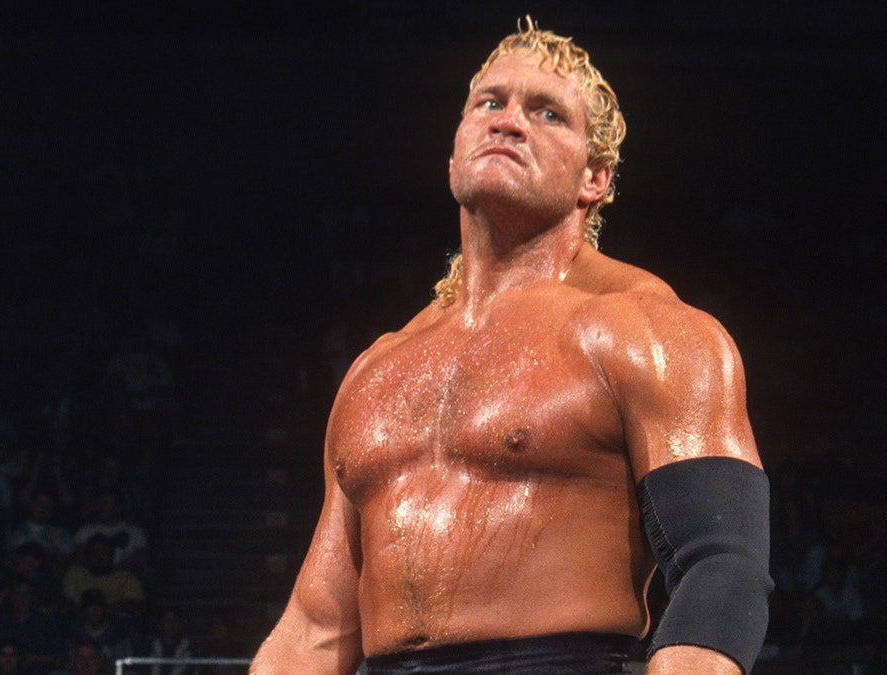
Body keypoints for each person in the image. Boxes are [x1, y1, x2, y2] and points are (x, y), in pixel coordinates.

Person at [252, 18, 772, 675]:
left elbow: (723, 564)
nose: (508, 121)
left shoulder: (646, 331)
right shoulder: (375, 369)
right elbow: (316, 627)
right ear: (453, 153)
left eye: (546, 112)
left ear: (595, 178)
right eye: (489, 102)